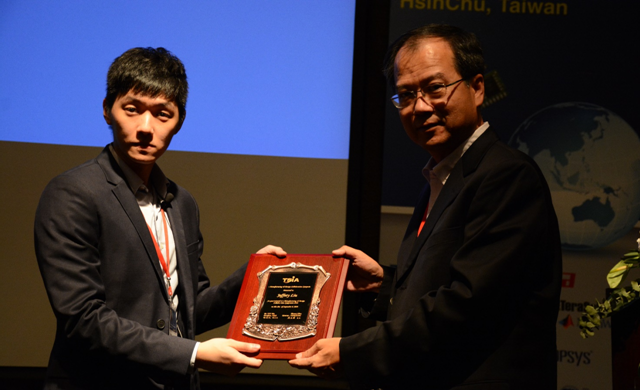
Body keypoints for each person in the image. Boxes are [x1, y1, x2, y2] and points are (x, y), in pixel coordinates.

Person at [289, 24, 562, 389]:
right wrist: (384, 285)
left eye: (435, 88)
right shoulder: (443, 176)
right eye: (405, 95)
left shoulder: (506, 175)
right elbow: (449, 282)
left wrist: (353, 351)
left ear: (477, 88)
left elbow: (469, 305)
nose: (419, 107)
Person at [34, 47, 286, 389]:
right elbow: (83, 319)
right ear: (107, 111)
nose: (145, 128)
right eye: (132, 110)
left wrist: (253, 276)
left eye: (162, 114)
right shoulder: (73, 193)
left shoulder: (182, 202)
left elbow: (189, 310)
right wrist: (193, 354)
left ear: (179, 121)